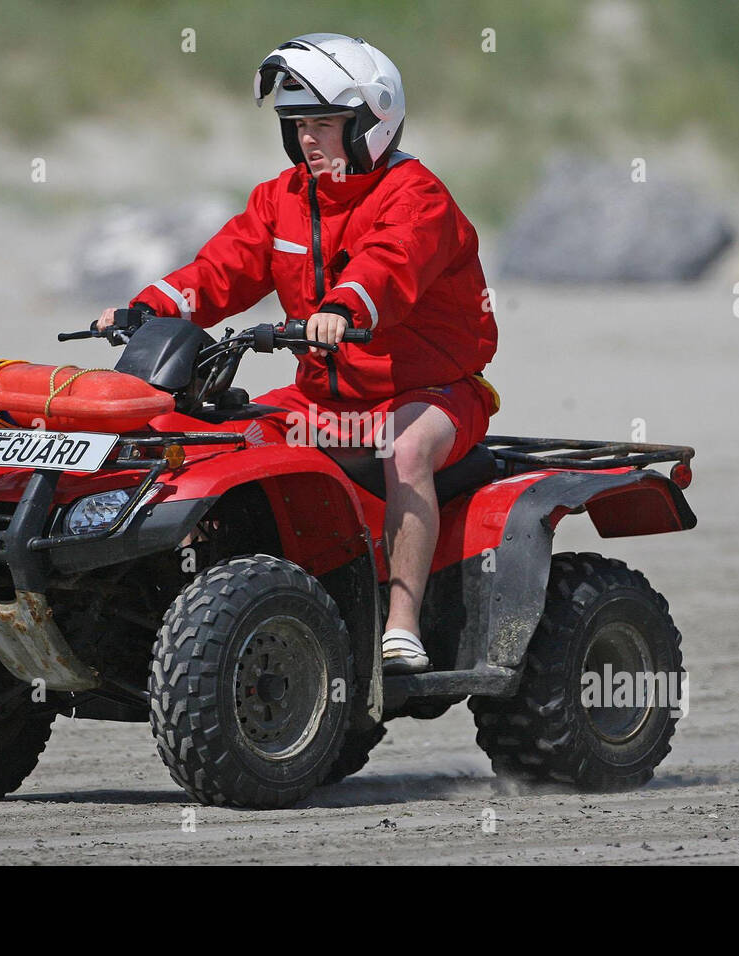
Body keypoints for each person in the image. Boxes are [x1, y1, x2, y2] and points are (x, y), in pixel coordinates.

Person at [97, 33, 498, 674]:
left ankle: (402, 624)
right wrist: (150, 308)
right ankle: (209, 601)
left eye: (325, 124)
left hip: (431, 393)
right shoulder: (280, 198)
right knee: (210, 440)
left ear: (372, 122)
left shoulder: (417, 196)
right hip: (323, 398)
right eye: (298, 125)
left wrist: (344, 309)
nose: (309, 139)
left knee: (407, 447)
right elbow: (222, 268)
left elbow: (389, 264)